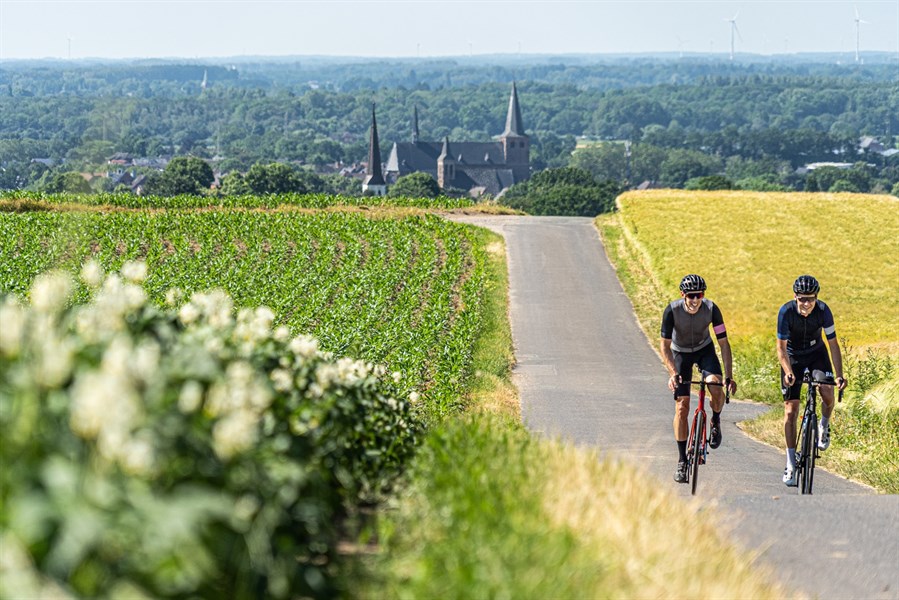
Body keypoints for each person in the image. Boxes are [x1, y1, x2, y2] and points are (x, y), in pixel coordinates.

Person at [660, 274, 737, 484]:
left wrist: (728, 376)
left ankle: (715, 420)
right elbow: (665, 347)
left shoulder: (711, 309)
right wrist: (673, 373)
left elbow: (723, 344)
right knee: (682, 407)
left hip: (705, 350)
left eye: (699, 295)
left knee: (715, 385)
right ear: (682, 294)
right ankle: (682, 461)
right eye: (691, 295)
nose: (695, 300)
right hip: (680, 354)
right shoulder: (672, 311)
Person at [776, 274, 847, 487]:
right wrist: (788, 371)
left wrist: (839, 374)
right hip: (793, 357)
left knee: (827, 392)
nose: (806, 304)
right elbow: (780, 348)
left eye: (811, 299)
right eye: (802, 299)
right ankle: (790, 463)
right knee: (790, 411)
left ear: (816, 297)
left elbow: (833, 345)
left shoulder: (824, 311)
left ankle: (824, 426)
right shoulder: (786, 312)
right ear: (795, 297)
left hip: (817, 353)